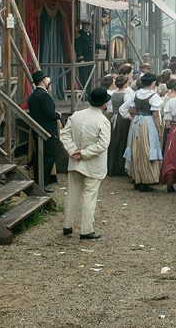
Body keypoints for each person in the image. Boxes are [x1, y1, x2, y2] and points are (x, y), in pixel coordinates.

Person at [60, 86, 112, 240]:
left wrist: (73, 151)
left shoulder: (76, 115)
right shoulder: (103, 120)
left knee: (73, 194)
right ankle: (86, 230)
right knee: (89, 196)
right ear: (104, 104)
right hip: (93, 163)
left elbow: (64, 134)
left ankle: (67, 225)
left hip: (75, 161)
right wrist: (84, 154)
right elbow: (103, 144)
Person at [120, 73, 164, 191]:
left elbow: (123, 109)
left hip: (136, 123)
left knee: (136, 149)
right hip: (148, 123)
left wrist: (132, 116)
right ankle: (146, 180)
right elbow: (155, 115)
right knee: (147, 149)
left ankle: (137, 179)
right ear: (153, 83)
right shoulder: (154, 96)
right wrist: (159, 131)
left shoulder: (135, 94)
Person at [27, 70, 62, 192]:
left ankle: (39, 181)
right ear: (43, 81)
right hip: (47, 130)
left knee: (40, 156)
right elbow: (49, 113)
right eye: (47, 79)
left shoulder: (33, 96)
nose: (48, 80)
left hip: (37, 130)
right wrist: (58, 115)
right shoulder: (44, 95)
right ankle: (43, 182)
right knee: (50, 156)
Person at [107, 73, 133, 176]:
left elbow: (110, 107)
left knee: (114, 141)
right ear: (125, 83)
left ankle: (112, 166)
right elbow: (128, 108)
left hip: (114, 117)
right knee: (122, 141)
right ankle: (120, 167)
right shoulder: (126, 95)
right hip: (122, 119)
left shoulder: (113, 94)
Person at [74, 20, 94, 92]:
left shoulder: (90, 34)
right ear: (83, 25)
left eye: (89, 25)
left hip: (90, 59)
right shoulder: (79, 34)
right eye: (86, 25)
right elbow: (78, 47)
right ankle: (83, 94)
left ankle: (88, 93)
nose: (88, 26)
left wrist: (103, 46)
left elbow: (92, 45)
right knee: (84, 77)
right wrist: (80, 58)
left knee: (89, 77)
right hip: (83, 59)